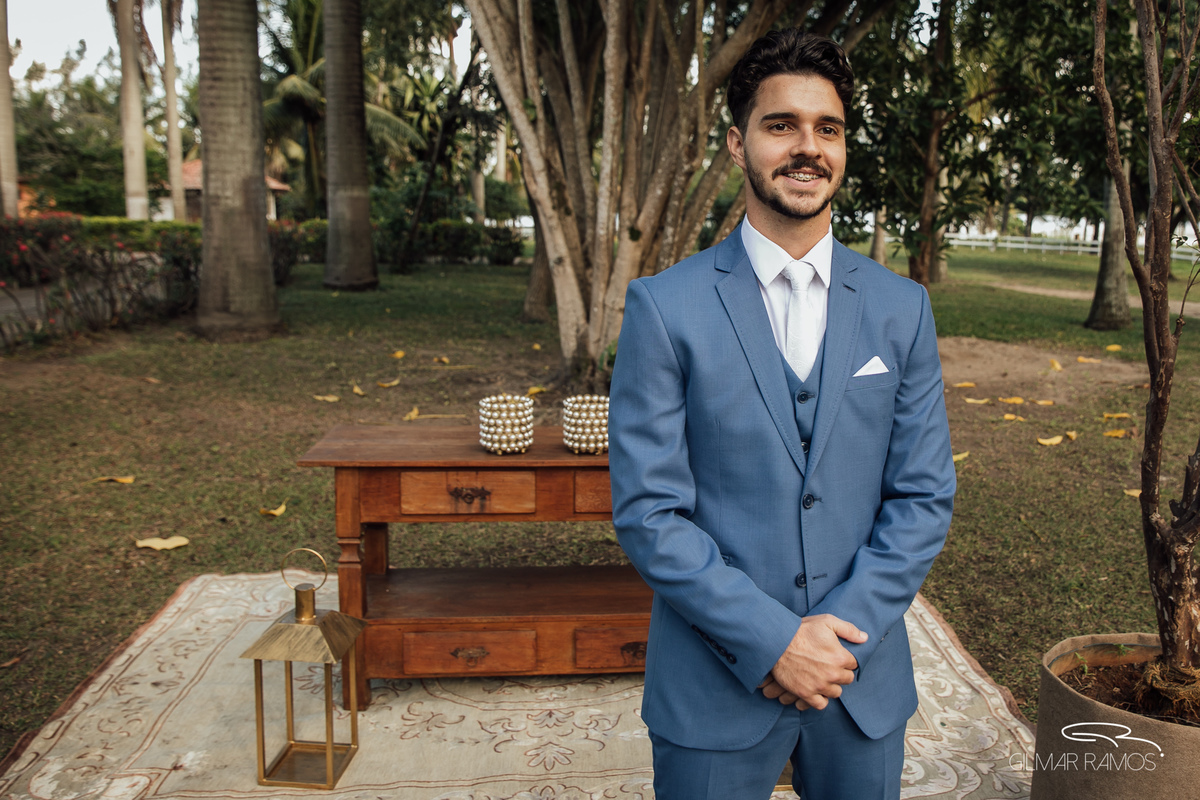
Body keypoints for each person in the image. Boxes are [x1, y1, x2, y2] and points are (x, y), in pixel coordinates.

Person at [607, 28, 956, 800]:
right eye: (781, 125)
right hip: (712, 686)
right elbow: (649, 512)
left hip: (857, 684)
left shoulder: (903, 310)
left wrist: (834, 646)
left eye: (827, 129)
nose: (808, 148)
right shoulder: (665, 308)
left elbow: (924, 496)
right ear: (737, 145)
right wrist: (773, 643)